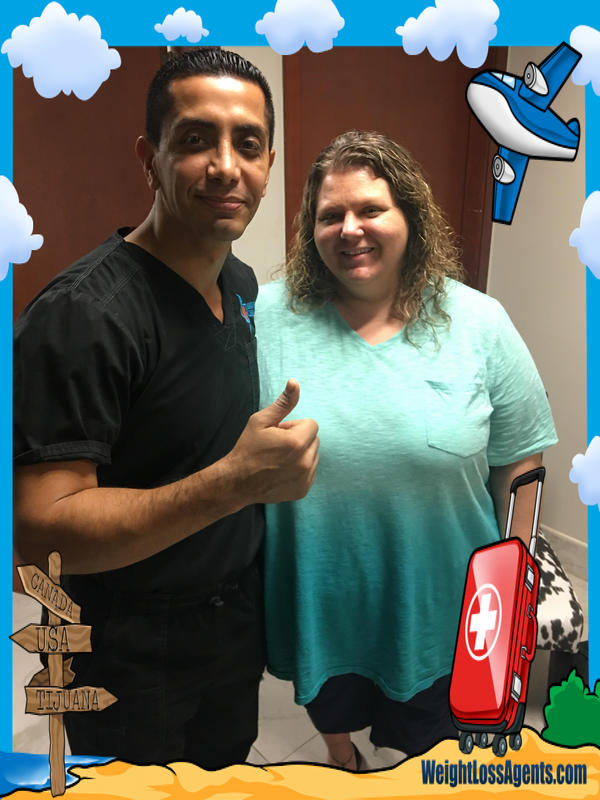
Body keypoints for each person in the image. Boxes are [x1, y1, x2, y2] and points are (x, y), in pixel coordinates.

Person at [13, 48, 319, 769]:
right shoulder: (83, 316)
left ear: (270, 165)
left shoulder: (240, 284)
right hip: (125, 645)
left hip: (230, 624)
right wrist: (234, 484)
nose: (225, 166)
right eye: (195, 139)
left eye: (248, 144)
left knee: (224, 773)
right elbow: (43, 538)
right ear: (149, 159)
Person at [256, 130, 557, 770]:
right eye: (330, 215)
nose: (350, 229)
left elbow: (522, 462)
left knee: (435, 751)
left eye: (371, 209)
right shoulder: (270, 316)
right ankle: (341, 754)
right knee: (332, 707)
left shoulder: (479, 322)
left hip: (443, 609)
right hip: (322, 600)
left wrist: (514, 591)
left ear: (411, 217)